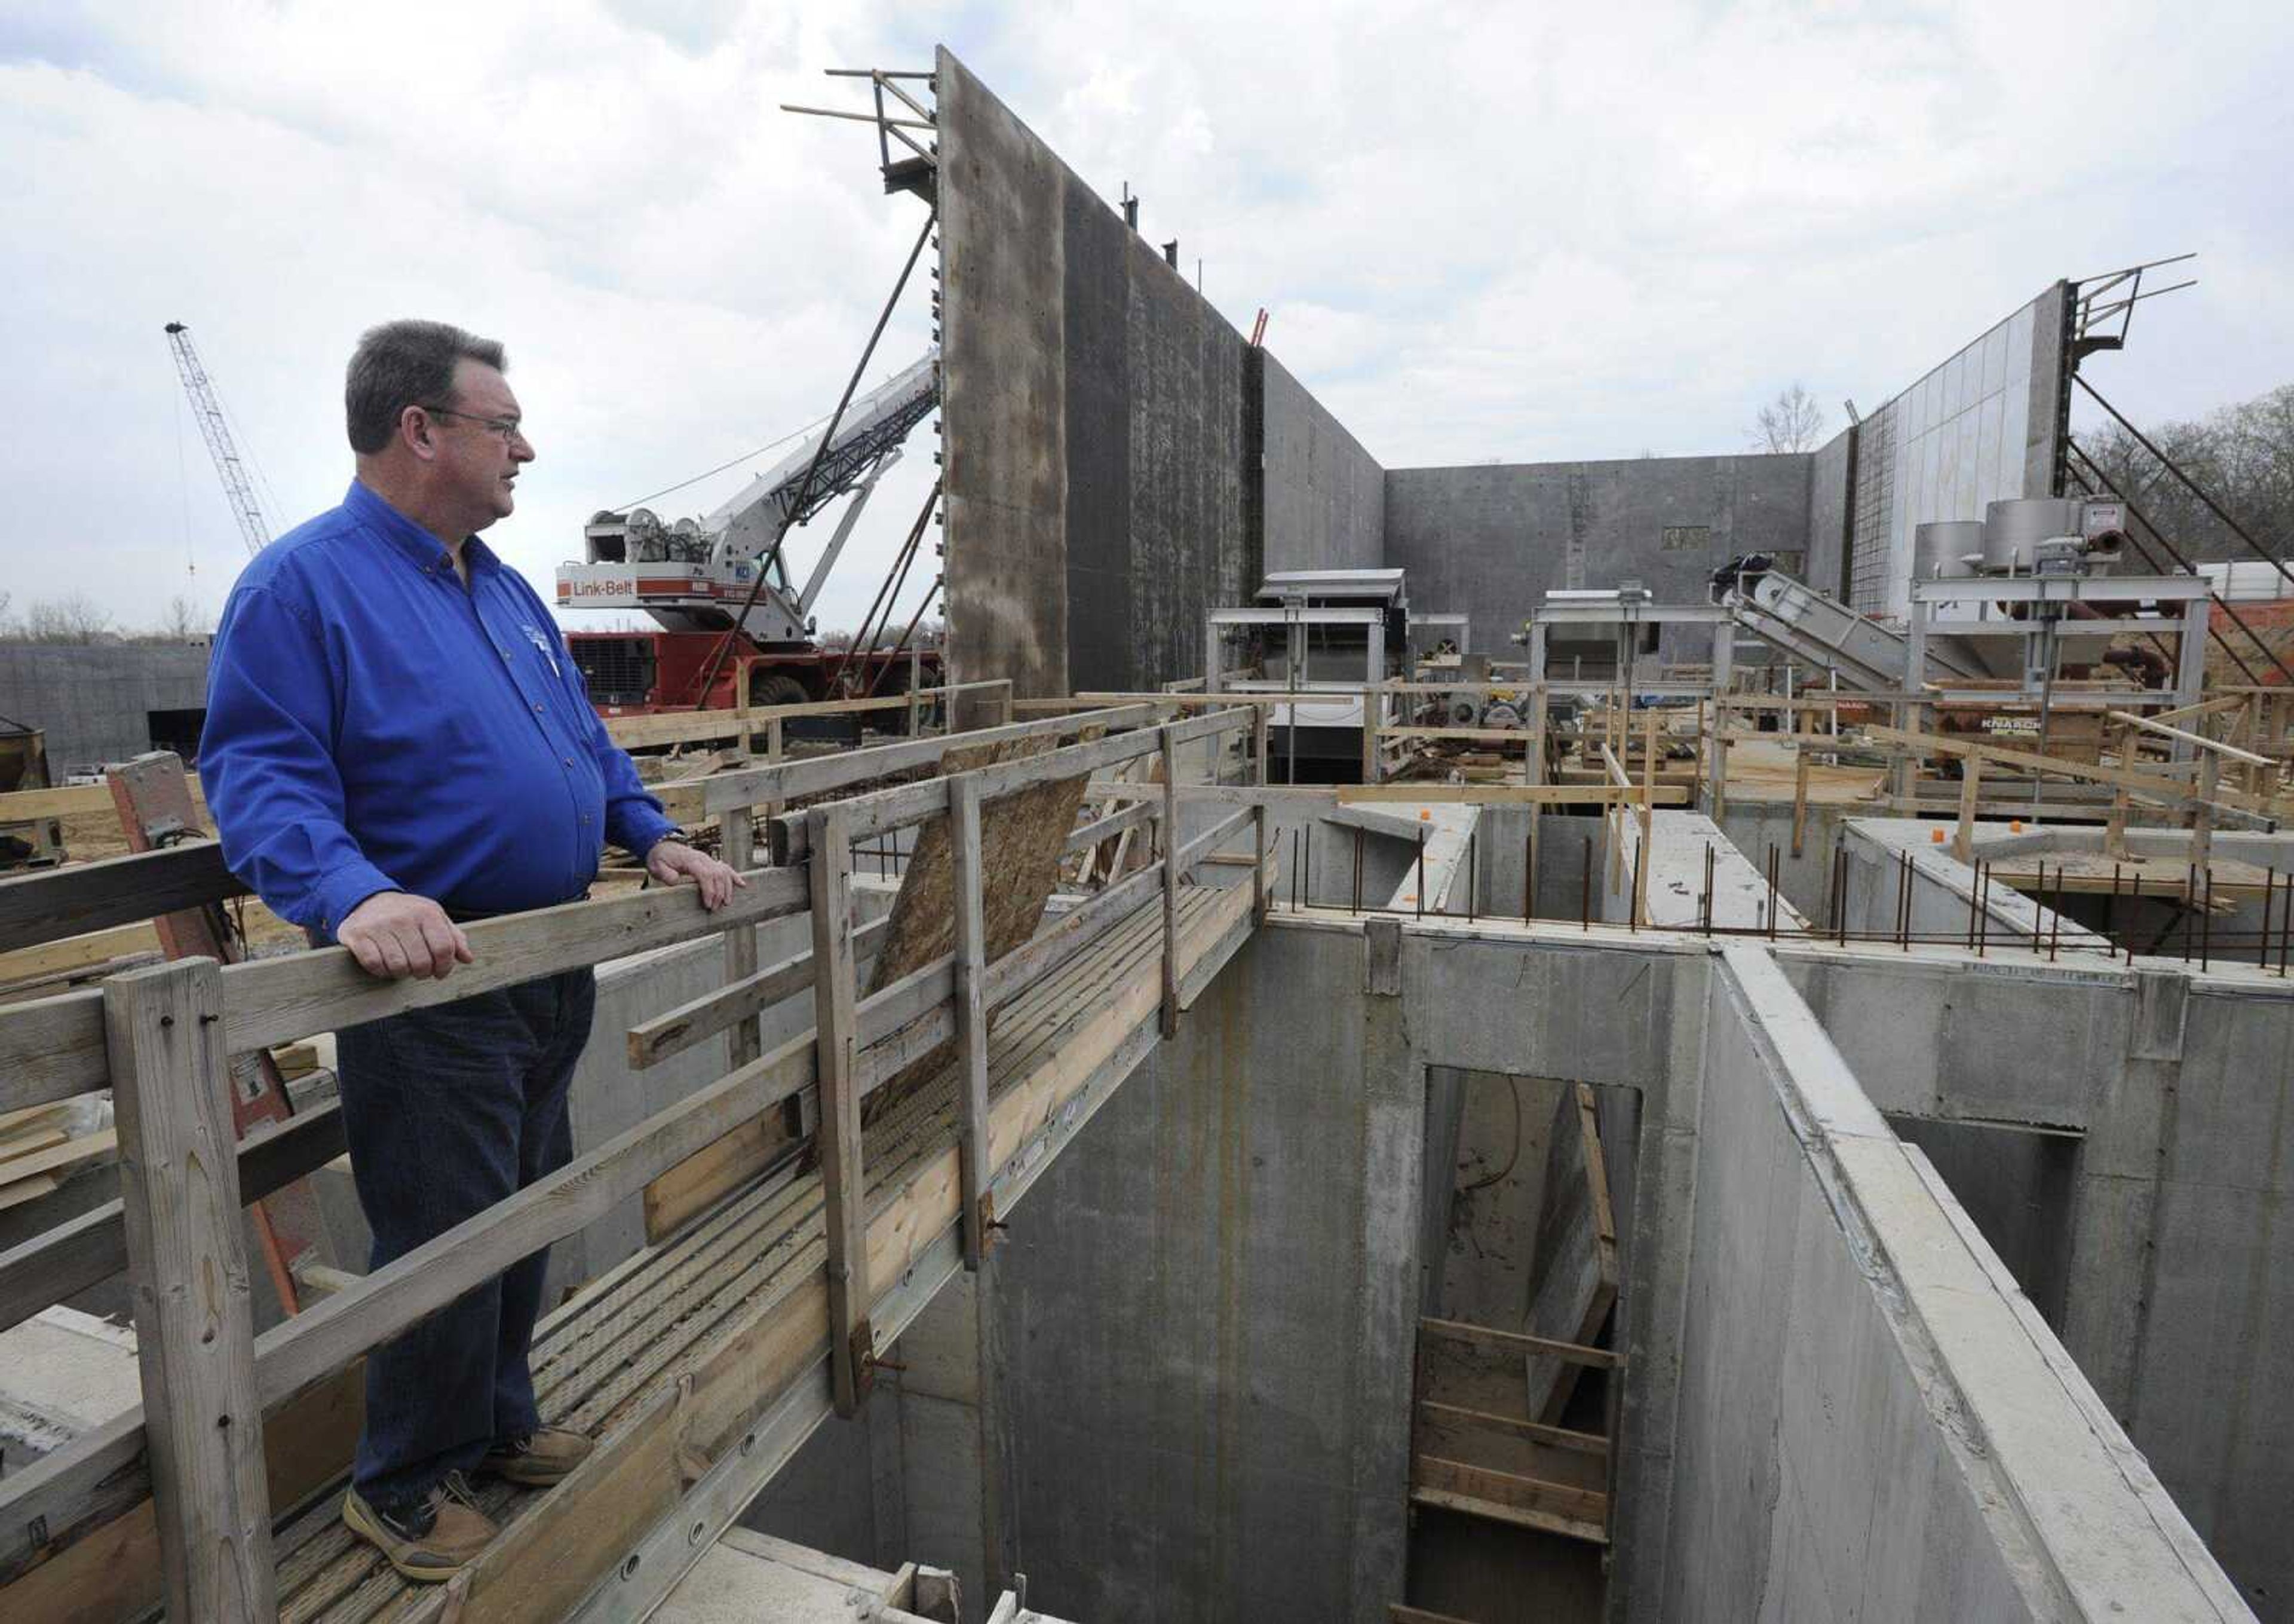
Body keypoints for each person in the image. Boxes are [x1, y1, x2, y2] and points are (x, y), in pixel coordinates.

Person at [201, 319, 744, 1582]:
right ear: (421, 430)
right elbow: (261, 774)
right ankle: (398, 1482)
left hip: (542, 962)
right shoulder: (304, 586)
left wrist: (651, 832)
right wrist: (350, 893)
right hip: (434, 978)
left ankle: (493, 1422)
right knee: (444, 1231)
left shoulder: (495, 583)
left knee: (523, 1208)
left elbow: (583, 744)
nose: (527, 448)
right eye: (504, 426)